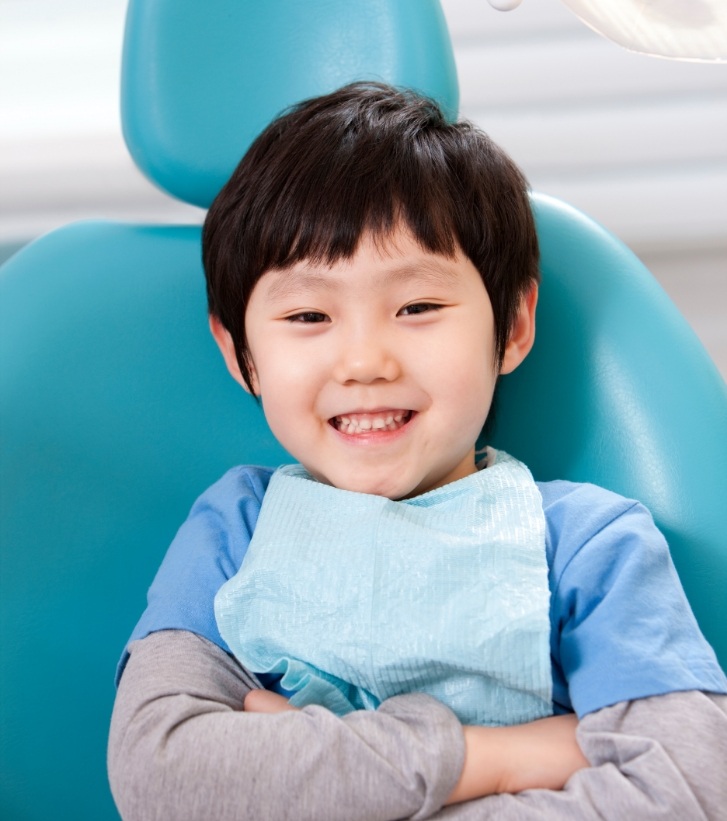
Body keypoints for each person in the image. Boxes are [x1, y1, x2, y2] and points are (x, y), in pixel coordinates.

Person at [108, 83, 727, 820]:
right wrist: (496, 758)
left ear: (513, 324)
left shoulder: (587, 545)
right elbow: (161, 770)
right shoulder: (234, 530)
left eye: (417, 307)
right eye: (308, 314)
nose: (364, 360)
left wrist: (309, 780)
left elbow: (686, 788)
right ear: (239, 353)